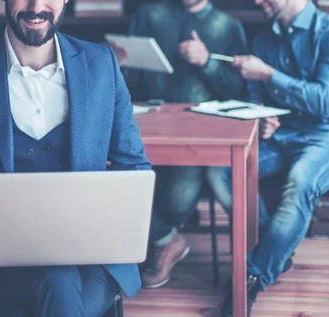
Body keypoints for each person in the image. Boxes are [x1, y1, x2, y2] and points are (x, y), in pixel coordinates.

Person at [0, 0, 152, 316]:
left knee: (59, 279)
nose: (36, 6)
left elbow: (132, 165)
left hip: (91, 257)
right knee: (58, 282)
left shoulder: (101, 64)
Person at [205, 0, 329, 316]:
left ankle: (249, 281)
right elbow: (256, 99)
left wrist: (268, 74)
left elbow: (325, 102)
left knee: (301, 181)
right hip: (284, 137)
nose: (257, 1)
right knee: (219, 170)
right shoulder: (265, 38)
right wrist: (262, 117)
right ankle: (276, 248)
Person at [109, 0, 248, 289]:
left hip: (198, 136)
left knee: (177, 198)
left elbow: (239, 92)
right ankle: (163, 240)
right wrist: (118, 64)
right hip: (145, 125)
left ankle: (159, 239)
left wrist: (207, 61)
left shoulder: (228, 26)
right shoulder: (149, 14)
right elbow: (129, 83)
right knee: (110, 183)